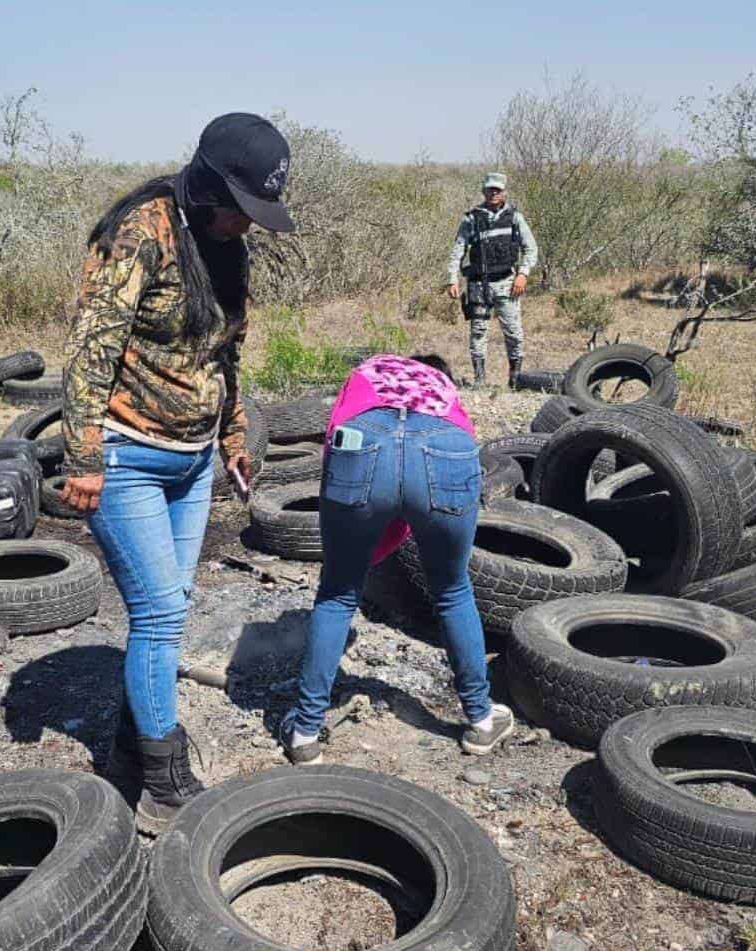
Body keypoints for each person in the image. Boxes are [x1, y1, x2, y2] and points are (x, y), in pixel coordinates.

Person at [60, 113, 294, 834]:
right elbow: (91, 349)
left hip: (193, 461)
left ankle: (131, 754)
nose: (245, 226)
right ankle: (163, 781)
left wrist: (233, 434)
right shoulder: (142, 232)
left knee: (172, 605)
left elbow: (225, 354)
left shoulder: (228, 250)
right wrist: (84, 455)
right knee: (160, 612)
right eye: (240, 209)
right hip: (128, 454)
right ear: (207, 186)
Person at [280, 353, 513, 765]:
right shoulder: (442, 386)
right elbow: (435, 464)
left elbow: (333, 442)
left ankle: (304, 733)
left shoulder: (369, 369)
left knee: (337, 593)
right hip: (447, 446)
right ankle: (479, 719)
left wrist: (368, 543)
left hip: (362, 442)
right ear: (437, 370)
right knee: (453, 589)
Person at [445, 173, 538, 390]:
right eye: (490, 189)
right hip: (478, 286)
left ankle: (515, 379)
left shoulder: (514, 217)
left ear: (504, 191)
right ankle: (479, 379)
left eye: (497, 189)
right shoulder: (471, 218)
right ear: (483, 191)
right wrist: (452, 280)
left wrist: (523, 274)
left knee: (514, 333)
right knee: (478, 332)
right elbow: (457, 251)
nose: (493, 193)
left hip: (507, 283)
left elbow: (531, 248)